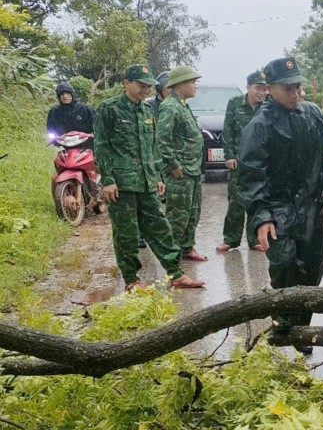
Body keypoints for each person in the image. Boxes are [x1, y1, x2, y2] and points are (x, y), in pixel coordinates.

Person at [238, 57, 323, 354]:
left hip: (312, 208)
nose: (295, 94)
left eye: (297, 87)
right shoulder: (260, 125)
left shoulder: (313, 115)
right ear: (270, 89)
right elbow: (251, 175)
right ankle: (281, 328)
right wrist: (261, 217)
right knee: (284, 268)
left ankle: (301, 331)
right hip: (277, 210)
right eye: (288, 89)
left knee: (311, 273)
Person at [93, 64, 204, 291]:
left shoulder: (147, 110)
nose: (146, 90)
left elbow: (151, 146)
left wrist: (157, 176)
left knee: (159, 228)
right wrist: (107, 179)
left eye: (148, 86)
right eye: (141, 85)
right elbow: (101, 146)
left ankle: (176, 273)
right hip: (121, 184)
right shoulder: (109, 108)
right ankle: (132, 280)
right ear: (126, 83)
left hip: (146, 182)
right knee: (127, 234)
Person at [157, 65, 207, 262]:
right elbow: (162, 140)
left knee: (192, 212)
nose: (195, 86)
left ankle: (187, 248)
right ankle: (172, 258)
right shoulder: (170, 107)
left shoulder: (182, 105)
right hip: (180, 171)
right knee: (177, 216)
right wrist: (173, 165)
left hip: (192, 169)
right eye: (193, 82)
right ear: (181, 84)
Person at [217, 70, 269, 253]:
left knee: (258, 200)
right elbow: (228, 130)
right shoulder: (235, 103)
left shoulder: (268, 106)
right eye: (258, 88)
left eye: (264, 89)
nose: (261, 93)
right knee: (236, 202)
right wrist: (229, 155)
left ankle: (255, 239)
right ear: (248, 87)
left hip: (260, 162)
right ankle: (230, 239)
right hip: (239, 162)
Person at [47, 81, 95, 147]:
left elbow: (96, 125)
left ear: (72, 94)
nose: (65, 96)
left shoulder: (85, 109)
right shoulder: (54, 112)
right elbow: (51, 129)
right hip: (63, 145)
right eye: (62, 94)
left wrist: (95, 136)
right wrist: (52, 139)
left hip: (85, 145)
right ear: (59, 96)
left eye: (67, 93)